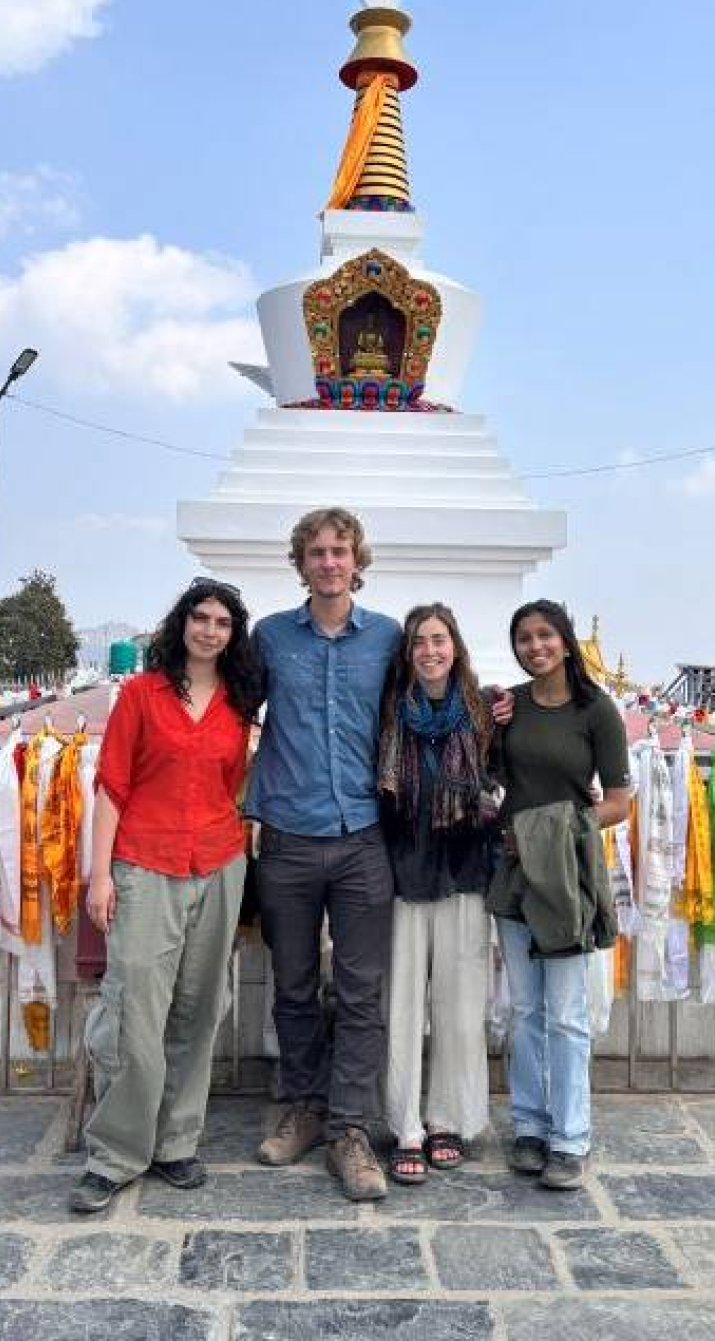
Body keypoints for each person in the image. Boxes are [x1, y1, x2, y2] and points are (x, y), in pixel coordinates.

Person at [70, 579, 262, 1214]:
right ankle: (116, 1152)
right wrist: (99, 877)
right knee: (134, 1012)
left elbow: (236, 787)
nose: (210, 630)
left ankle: (177, 1141)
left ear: (233, 636)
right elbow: (111, 788)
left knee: (199, 1008)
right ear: (182, 624)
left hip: (218, 863)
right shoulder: (142, 697)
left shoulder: (238, 705)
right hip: (145, 865)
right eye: (201, 618)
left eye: (223, 623)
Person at [248, 507, 400, 1202]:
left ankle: (350, 1129)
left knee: (363, 991)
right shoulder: (271, 638)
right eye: (317, 552)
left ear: (357, 560)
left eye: (340, 551)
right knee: (295, 985)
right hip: (289, 836)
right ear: (301, 562)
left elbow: (428, 706)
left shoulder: (390, 639)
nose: (329, 562)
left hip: (365, 836)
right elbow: (229, 706)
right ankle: (305, 1106)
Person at [492, 599, 630, 1191]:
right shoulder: (510, 708)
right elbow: (491, 780)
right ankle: (528, 1124)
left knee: (568, 1015)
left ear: (566, 641)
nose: (535, 646)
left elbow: (620, 802)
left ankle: (572, 1137)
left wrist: (551, 830)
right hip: (514, 873)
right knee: (524, 1010)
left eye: (545, 635)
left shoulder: (596, 710)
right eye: (524, 638)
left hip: (567, 875)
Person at [377, 603, 498, 1185]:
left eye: (439, 639)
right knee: (401, 1004)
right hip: (402, 870)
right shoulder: (389, 713)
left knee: (458, 1004)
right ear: (408, 652)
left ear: (456, 646)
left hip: (463, 870)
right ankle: (405, 1124)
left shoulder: (484, 713)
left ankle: (448, 1116)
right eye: (420, 641)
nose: (430, 650)